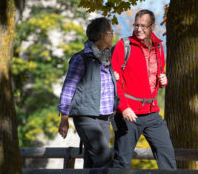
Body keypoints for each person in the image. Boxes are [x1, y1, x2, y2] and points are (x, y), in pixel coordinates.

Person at [111, 9, 177, 169]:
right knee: (122, 162)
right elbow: (113, 81)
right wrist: (123, 107)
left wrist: (163, 80)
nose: (138, 29)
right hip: (128, 115)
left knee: (167, 157)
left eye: (143, 26)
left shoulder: (159, 48)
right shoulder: (123, 45)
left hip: (152, 114)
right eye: (136, 25)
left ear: (152, 27)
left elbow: (156, 76)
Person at [57, 17, 119, 168]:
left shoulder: (108, 59)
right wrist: (64, 118)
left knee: (93, 161)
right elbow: (68, 88)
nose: (113, 35)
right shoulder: (81, 58)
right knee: (103, 156)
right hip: (85, 116)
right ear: (103, 35)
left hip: (104, 117)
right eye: (111, 31)